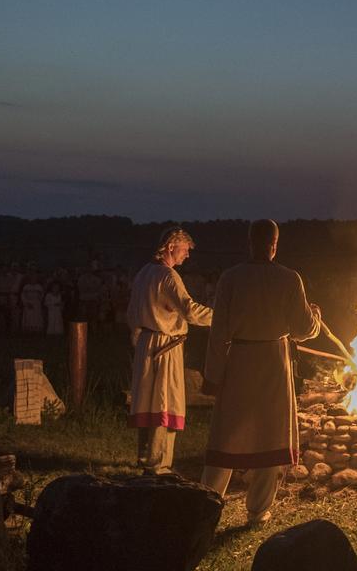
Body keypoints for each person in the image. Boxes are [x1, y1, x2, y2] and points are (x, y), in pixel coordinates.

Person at [201, 219, 321, 524]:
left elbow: (217, 333)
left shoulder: (231, 278)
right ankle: (257, 511)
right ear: (274, 244)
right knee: (271, 433)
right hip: (272, 363)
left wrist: (213, 376)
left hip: (239, 361)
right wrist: (317, 317)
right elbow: (304, 329)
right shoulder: (290, 279)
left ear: (250, 242)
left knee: (228, 434)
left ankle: (205, 504)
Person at [127, 227, 213, 475]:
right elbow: (189, 310)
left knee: (148, 399)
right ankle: (159, 464)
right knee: (162, 401)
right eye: (185, 250)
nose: (187, 256)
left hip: (146, 343)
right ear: (172, 246)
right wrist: (221, 317)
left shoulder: (144, 273)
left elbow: (132, 312)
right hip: (165, 346)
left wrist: (138, 337)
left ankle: (145, 457)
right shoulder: (168, 275)